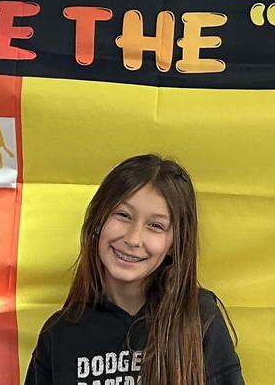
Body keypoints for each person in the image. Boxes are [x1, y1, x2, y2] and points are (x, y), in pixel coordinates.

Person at [26, 155, 243, 385]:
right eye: (123, 215)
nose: (133, 238)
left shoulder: (199, 318)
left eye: (156, 226)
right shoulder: (60, 334)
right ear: (98, 220)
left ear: (174, 244)